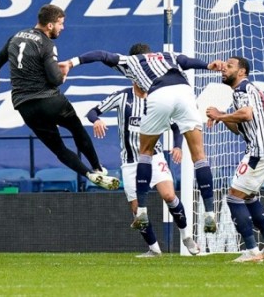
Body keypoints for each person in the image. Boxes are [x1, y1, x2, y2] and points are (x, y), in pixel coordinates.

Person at [60, 43, 224, 232]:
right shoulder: (168, 55)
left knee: (145, 152)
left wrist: (72, 63)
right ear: (151, 52)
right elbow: (186, 61)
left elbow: (102, 54)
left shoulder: (132, 61)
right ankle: (210, 213)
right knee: (199, 156)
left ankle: (143, 210)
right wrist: (207, 65)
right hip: (184, 93)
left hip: (159, 94)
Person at [0, 4, 118, 190]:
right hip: (50, 101)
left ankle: (88, 174)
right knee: (76, 128)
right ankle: (97, 167)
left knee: (59, 148)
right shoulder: (46, 44)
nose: (62, 28)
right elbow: (55, 79)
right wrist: (63, 74)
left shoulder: (15, 38)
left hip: (25, 107)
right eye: (60, 24)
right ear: (49, 25)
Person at [86, 82, 200, 256]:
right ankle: (154, 249)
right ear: (134, 76)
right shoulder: (122, 96)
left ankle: (186, 237)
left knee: (169, 195)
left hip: (155, 157)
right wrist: (97, 120)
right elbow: (92, 112)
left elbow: (176, 126)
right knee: (137, 209)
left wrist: (177, 146)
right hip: (131, 162)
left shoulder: (158, 99)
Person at [205, 56, 264, 263]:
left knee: (233, 197)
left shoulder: (242, 90)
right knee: (248, 197)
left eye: (229, 66)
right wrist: (222, 115)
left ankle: (251, 251)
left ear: (242, 72)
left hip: (260, 151)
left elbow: (246, 115)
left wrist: (220, 116)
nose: (224, 69)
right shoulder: (249, 90)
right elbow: (240, 128)